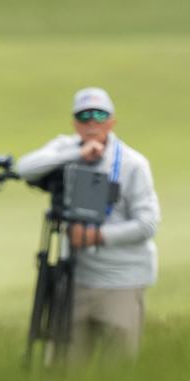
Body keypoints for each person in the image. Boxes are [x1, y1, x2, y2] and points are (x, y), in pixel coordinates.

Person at [16, 87, 161, 363]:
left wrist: (97, 237)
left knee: (117, 372)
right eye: (84, 116)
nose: (92, 122)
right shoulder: (67, 148)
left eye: (99, 115)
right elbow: (25, 168)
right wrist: (74, 154)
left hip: (122, 282)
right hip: (74, 279)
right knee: (64, 369)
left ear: (111, 121)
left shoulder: (133, 164)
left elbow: (148, 223)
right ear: (75, 123)